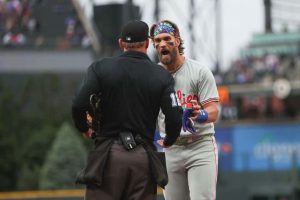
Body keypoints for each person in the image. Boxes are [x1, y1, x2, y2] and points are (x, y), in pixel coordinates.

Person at [71, 20, 182, 200]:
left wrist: (85, 128)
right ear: (147, 43)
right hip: (142, 158)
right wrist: (169, 139)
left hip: (107, 156)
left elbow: (78, 104)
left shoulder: (101, 68)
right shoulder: (162, 76)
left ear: (121, 43)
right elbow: (175, 116)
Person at [150, 20, 220, 200]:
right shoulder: (152, 76)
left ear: (178, 41)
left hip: (200, 144)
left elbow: (214, 110)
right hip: (170, 148)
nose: (162, 44)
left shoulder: (199, 71)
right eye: (157, 41)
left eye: (167, 38)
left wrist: (201, 114)